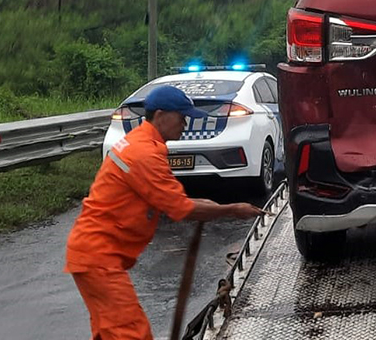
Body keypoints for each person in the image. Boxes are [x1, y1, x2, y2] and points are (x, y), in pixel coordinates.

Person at [65, 85, 263, 340]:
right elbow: (180, 208)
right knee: (133, 334)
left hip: (92, 253)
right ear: (161, 115)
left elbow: (168, 197)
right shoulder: (144, 153)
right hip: (99, 257)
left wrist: (209, 206)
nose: (186, 123)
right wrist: (233, 209)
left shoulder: (141, 143)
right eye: (182, 116)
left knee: (110, 334)